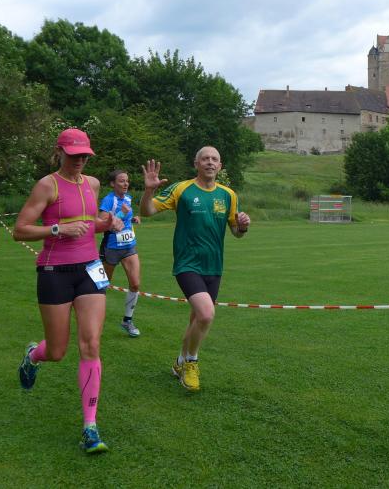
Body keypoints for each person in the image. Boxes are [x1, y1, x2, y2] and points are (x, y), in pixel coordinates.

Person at [13, 128, 123, 454]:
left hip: (90, 270)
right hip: (54, 272)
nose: (80, 161)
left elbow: (88, 226)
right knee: (57, 351)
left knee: (91, 344)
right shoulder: (47, 185)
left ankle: (90, 427)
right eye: (74, 155)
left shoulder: (93, 184)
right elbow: (20, 230)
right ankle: (34, 356)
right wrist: (58, 229)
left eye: (84, 155)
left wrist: (107, 224)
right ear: (60, 152)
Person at [140, 146, 250, 392]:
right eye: (205, 158)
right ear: (196, 163)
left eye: (214, 159)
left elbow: (236, 232)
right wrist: (148, 191)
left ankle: (179, 362)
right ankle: (191, 362)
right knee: (206, 314)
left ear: (220, 166)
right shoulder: (182, 190)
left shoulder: (228, 195)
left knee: (196, 319)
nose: (210, 162)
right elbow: (147, 211)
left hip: (214, 266)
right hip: (187, 264)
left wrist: (243, 226)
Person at [99, 169, 142, 337]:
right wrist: (121, 213)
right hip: (111, 247)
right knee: (102, 285)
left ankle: (127, 320)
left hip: (129, 246)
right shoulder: (108, 200)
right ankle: (93, 316)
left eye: (127, 181)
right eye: (122, 181)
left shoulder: (128, 198)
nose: (126, 184)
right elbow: (102, 223)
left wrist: (133, 218)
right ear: (113, 184)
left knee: (135, 284)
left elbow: (125, 219)